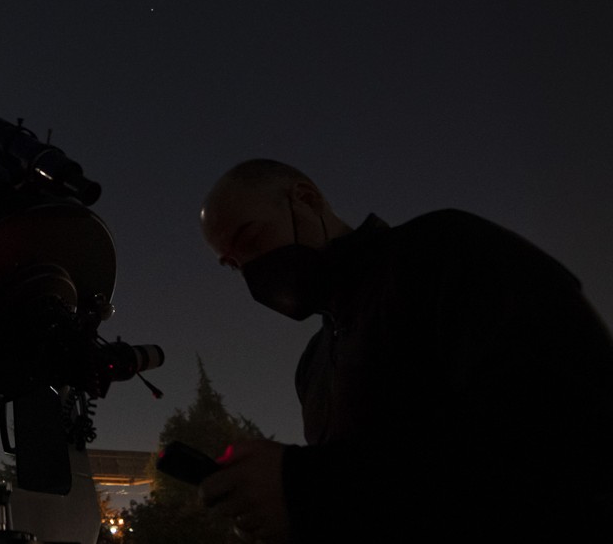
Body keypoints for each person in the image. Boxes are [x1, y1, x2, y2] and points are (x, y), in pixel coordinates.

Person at [196, 158, 613, 543]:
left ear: (306, 199)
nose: (250, 271)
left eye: (250, 239)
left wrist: (306, 488)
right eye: (232, 265)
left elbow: (568, 431)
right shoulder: (313, 366)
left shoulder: (447, 251)